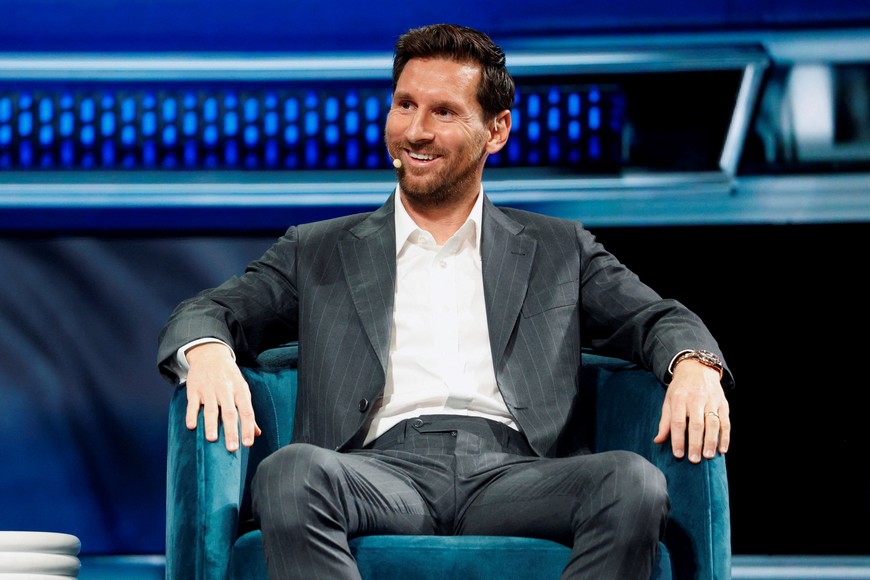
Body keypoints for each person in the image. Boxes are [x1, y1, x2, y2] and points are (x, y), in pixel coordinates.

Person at [157, 23, 733, 579]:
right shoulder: (319, 249)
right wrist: (207, 353)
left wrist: (695, 368)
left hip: (517, 475)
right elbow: (210, 310)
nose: (415, 131)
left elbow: (658, 318)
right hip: (375, 471)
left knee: (633, 482)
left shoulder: (560, 250)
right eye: (404, 105)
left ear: (497, 130)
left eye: (444, 112)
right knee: (289, 472)